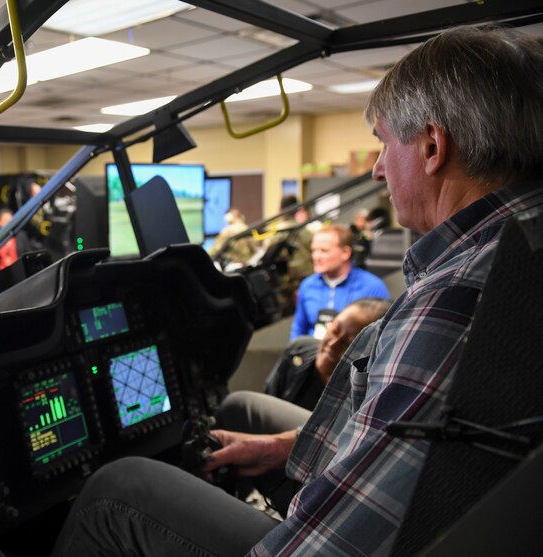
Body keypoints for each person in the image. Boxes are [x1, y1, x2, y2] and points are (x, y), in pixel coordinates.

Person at [50, 26, 543, 557]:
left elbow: (331, 543)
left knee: (116, 490)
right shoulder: (517, 247)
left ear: (430, 146)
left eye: (382, 144)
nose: (377, 169)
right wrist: (284, 451)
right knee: (240, 410)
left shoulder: (459, 296)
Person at [264, 297, 391, 410]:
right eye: (335, 330)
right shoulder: (297, 350)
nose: (332, 345)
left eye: (348, 344)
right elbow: (266, 405)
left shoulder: (366, 397)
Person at [289, 224, 389, 339]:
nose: (316, 256)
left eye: (324, 250)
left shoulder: (373, 287)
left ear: (345, 253)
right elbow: (298, 329)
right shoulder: (307, 285)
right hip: (312, 354)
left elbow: (383, 336)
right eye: (314, 250)